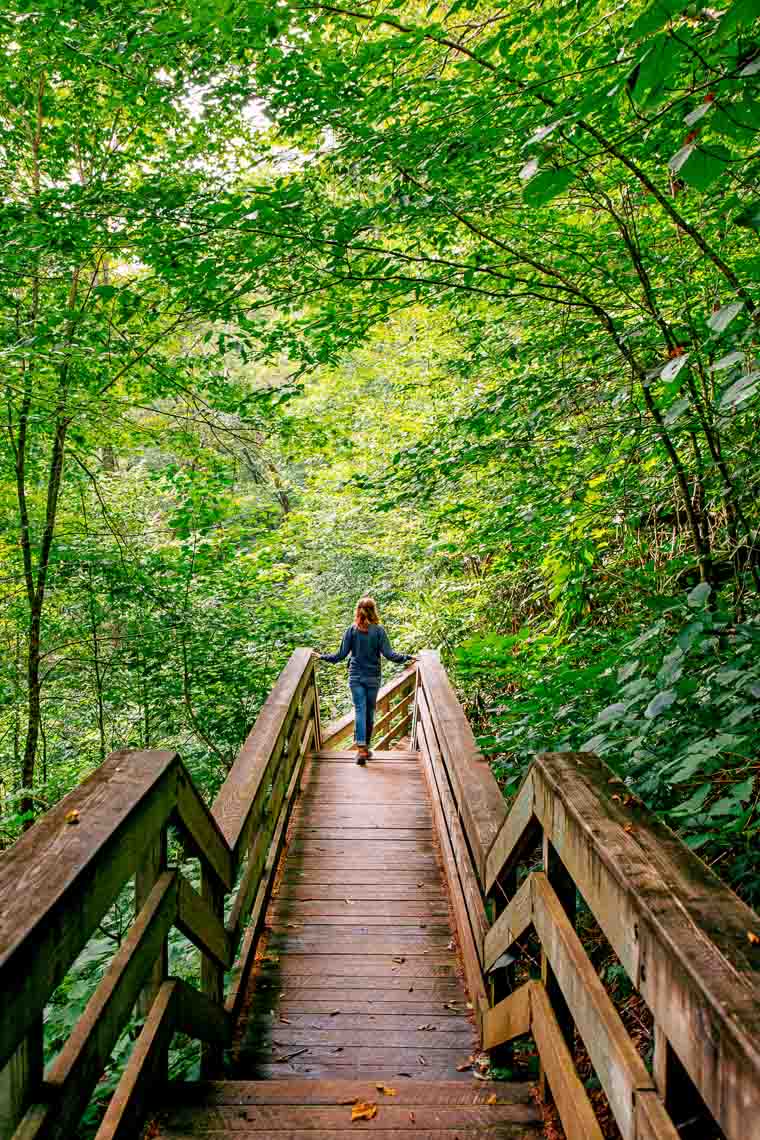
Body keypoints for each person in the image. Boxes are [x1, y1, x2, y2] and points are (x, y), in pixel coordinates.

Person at [316, 596, 416, 764]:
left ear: (357, 610)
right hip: (372, 677)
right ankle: (365, 748)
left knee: (360, 710)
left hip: (355, 676)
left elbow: (340, 656)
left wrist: (322, 657)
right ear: (373, 610)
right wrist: (407, 657)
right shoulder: (379, 631)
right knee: (369, 712)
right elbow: (390, 655)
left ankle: (362, 749)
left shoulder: (351, 630)